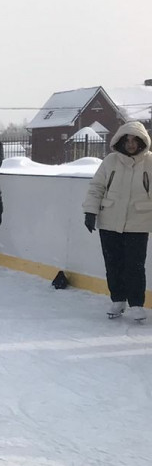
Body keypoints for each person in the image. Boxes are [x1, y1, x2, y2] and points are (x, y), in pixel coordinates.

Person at [83, 121, 151, 322]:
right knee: (113, 263)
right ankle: (118, 299)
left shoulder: (150, 162)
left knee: (135, 265)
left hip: (139, 222)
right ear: (120, 141)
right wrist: (90, 211)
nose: (130, 144)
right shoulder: (110, 161)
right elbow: (97, 187)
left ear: (141, 141)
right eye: (127, 140)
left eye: (134, 140)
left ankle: (137, 304)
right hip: (109, 220)